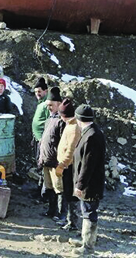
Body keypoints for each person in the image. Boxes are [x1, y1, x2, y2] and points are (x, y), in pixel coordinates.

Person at [71, 104, 106, 253]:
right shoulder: (91, 132)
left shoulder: (91, 136)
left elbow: (87, 165)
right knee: (86, 210)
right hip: (89, 182)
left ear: (79, 119)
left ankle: (88, 246)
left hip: (90, 184)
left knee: (89, 212)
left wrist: (80, 185)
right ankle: (85, 240)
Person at [38, 86, 66, 219]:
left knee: (59, 188)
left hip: (55, 161)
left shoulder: (61, 121)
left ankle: (61, 214)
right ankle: (51, 210)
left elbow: (63, 143)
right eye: (48, 105)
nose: (49, 107)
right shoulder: (49, 120)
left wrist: (61, 161)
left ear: (59, 104)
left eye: (51, 105)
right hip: (46, 160)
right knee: (49, 187)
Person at [55, 99, 82, 231]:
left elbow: (71, 150)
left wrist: (63, 164)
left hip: (69, 167)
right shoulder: (70, 125)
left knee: (71, 194)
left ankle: (72, 222)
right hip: (67, 166)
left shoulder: (74, 128)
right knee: (67, 192)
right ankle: (68, 220)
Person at [31, 77, 49, 197]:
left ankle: (43, 193)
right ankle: (40, 189)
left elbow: (50, 122)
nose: (37, 94)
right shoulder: (40, 103)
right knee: (39, 164)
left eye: (40, 91)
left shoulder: (47, 104)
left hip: (43, 140)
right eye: (36, 91)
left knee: (43, 166)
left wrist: (44, 139)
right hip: (38, 139)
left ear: (46, 91)